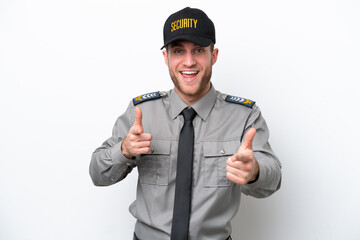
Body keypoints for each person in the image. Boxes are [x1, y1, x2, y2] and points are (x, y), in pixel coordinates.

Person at [89, 7, 282, 240]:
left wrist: (254, 171)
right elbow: (97, 174)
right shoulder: (141, 112)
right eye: (178, 50)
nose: (188, 62)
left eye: (198, 50)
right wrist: (124, 151)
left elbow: (273, 179)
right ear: (166, 58)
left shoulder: (244, 115)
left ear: (214, 55)